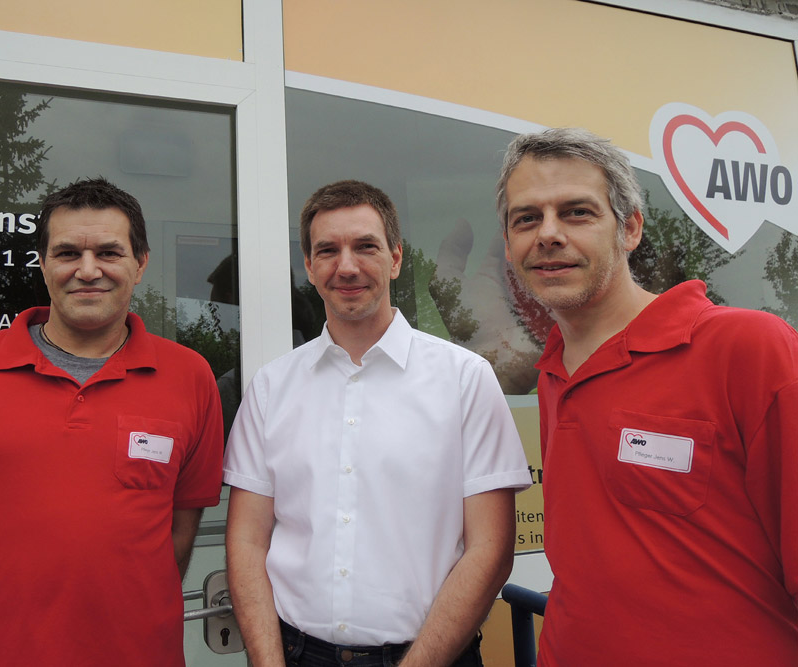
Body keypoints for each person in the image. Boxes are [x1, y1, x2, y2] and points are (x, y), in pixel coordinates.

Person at [0, 178, 224, 666]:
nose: (88, 270)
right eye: (67, 252)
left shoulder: (189, 377)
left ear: (140, 264)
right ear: (43, 262)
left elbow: (180, 526)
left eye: (110, 253)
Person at [497, 127, 798, 665]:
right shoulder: (552, 374)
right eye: (526, 218)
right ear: (509, 245)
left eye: (577, 212)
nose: (547, 234)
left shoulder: (749, 350)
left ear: (630, 228)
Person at [224, 180, 531, 667]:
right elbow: (246, 540)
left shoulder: (465, 379)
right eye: (327, 250)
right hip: (299, 656)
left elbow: (490, 550)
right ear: (309, 266)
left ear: (395, 258)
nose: (346, 266)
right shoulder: (270, 387)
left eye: (365, 246)